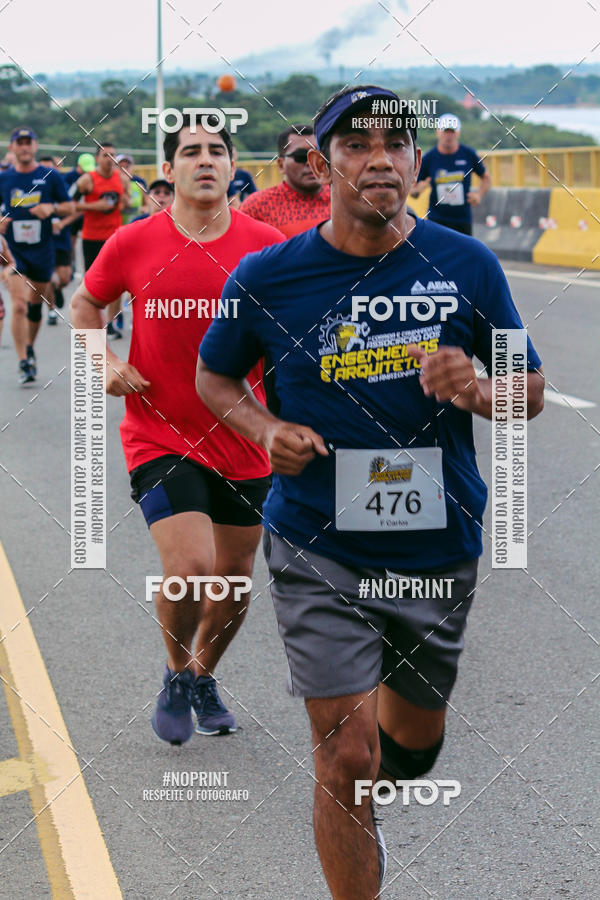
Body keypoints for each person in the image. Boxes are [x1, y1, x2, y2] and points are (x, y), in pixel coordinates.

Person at [196, 85, 545, 898]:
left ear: (418, 162)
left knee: (411, 748)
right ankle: (348, 806)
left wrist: (477, 389)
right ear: (324, 166)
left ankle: (363, 795)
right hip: (318, 541)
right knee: (346, 755)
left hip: (436, 545)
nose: (379, 159)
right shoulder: (269, 276)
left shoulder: (467, 266)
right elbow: (215, 377)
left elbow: (527, 390)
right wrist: (264, 431)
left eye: (395, 144)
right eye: (356, 145)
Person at [70, 114, 284, 745]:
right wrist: (105, 361)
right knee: (191, 568)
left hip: (245, 437)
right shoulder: (133, 242)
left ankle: (201, 676)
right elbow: (85, 304)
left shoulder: (266, 246)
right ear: (167, 170)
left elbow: (297, 329)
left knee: (234, 585)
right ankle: (174, 671)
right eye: (190, 151)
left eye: (217, 150)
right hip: (160, 434)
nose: (205, 160)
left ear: (233, 166)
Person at [0, 126, 74, 383]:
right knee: (19, 305)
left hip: (42, 251)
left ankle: (29, 347)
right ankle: (23, 362)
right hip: (14, 254)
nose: (24, 146)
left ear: (35, 146)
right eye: (19, 142)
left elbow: (70, 207)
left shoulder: (50, 176)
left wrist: (50, 208)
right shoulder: (4, 179)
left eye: (27, 142)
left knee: (35, 306)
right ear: (12, 147)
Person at [74, 143, 128, 337]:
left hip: (115, 237)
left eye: (113, 155)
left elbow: (126, 201)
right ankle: (89, 321)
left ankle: (111, 323)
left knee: (118, 281)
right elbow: (70, 204)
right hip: (92, 237)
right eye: (105, 155)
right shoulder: (86, 180)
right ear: (97, 158)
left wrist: (126, 202)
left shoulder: (122, 178)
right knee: (92, 283)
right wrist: (96, 206)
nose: (110, 159)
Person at [240, 124, 330, 237]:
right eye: (301, 156)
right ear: (281, 164)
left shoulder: (342, 200)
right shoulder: (257, 207)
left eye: (319, 156)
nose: (311, 163)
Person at [411, 114, 491, 235]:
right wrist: (418, 190)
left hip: (462, 220)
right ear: (438, 132)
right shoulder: (429, 158)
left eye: (452, 132)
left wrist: (479, 195)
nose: (448, 136)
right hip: (436, 219)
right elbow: (412, 190)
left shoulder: (468, 154)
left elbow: (486, 178)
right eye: (445, 131)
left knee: (464, 248)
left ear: (458, 133)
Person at [39, 155, 73, 325]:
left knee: (64, 278)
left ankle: (57, 288)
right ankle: (52, 310)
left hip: (61, 237)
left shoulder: (62, 187)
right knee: (47, 277)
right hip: (43, 239)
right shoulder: (33, 189)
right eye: (43, 169)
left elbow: (75, 210)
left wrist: (62, 223)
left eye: (49, 168)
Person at [116, 153, 148, 223]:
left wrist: (140, 210)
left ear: (132, 167)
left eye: (127, 166)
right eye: (121, 167)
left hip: (135, 226)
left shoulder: (139, 185)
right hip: (116, 226)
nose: (124, 169)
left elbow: (147, 206)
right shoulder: (112, 184)